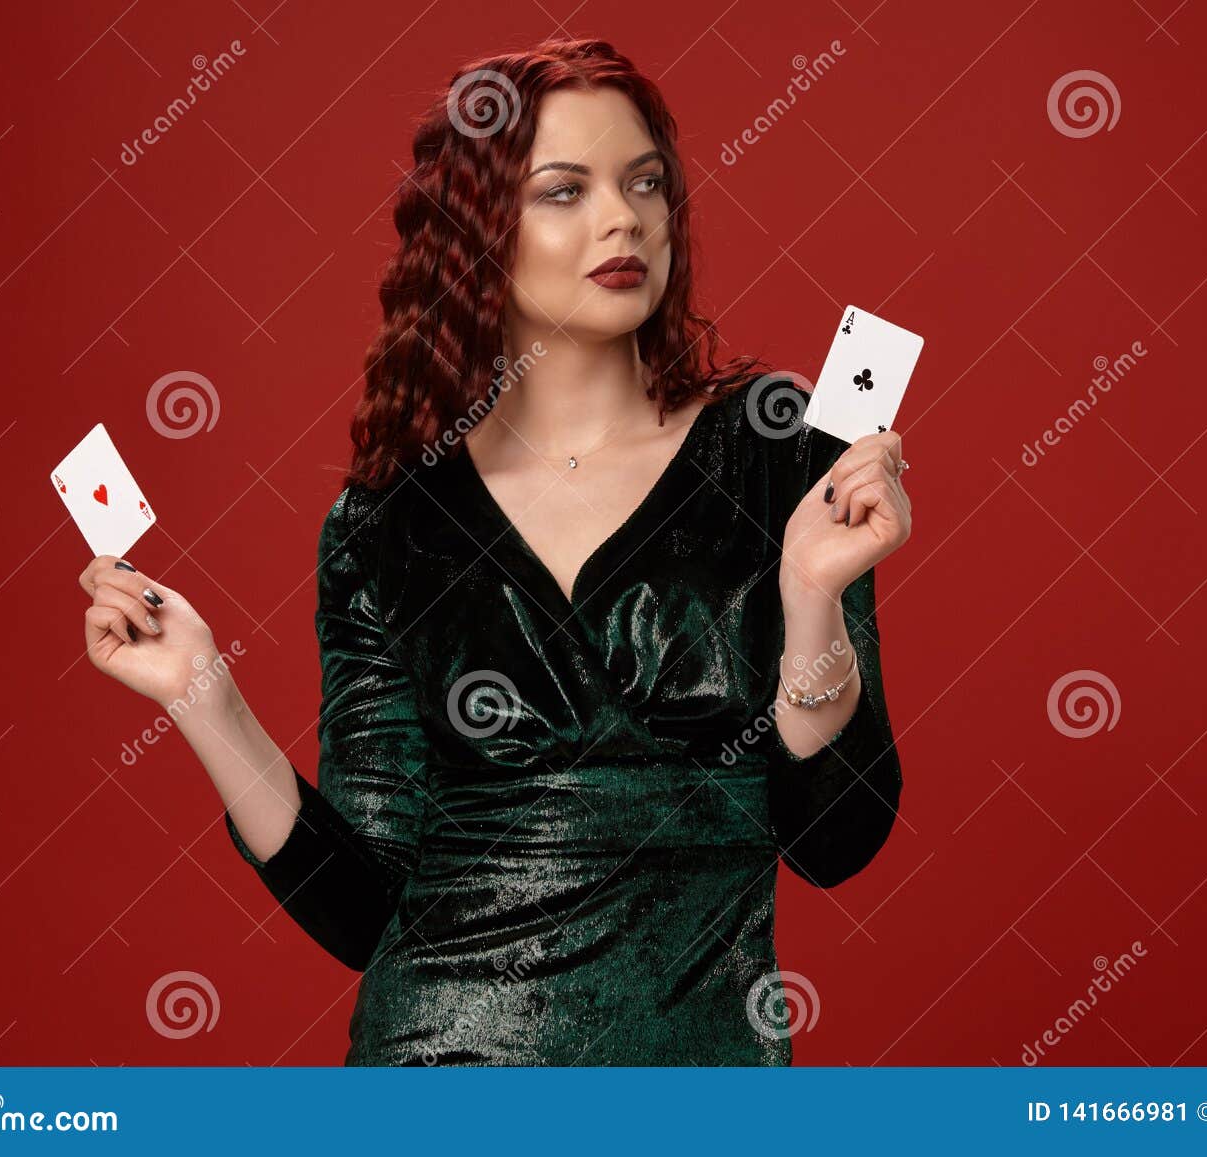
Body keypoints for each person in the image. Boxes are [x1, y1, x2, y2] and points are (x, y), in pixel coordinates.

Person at [78, 37, 912, 1065]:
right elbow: (356, 907)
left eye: (645, 181)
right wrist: (205, 694)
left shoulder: (785, 451)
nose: (624, 218)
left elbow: (838, 841)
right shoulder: (386, 524)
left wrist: (814, 597)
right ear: (478, 231)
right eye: (564, 191)